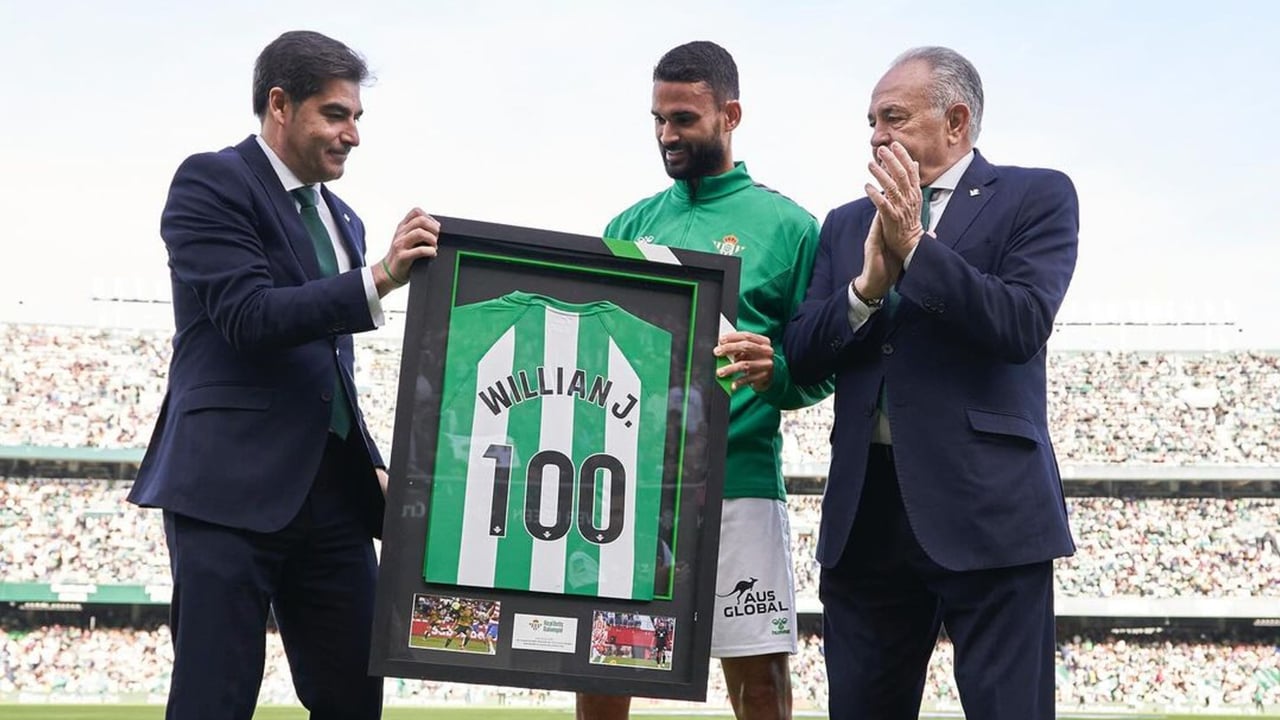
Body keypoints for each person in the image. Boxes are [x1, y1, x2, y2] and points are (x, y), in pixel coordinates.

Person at [127, 30, 439, 720]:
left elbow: (330, 370)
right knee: (214, 698)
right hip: (227, 488)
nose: (353, 134)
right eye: (336, 114)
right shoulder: (212, 180)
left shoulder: (345, 218)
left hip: (334, 499)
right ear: (279, 105)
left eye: (357, 117)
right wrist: (381, 277)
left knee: (355, 697)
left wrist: (369, 462)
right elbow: (248, 316)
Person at [782, 46, 1078, 719]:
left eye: (893, 117)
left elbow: (1021, 323)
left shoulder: (1036, 195)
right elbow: (800, 355)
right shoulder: (845, 223)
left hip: (990, 512)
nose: (876, 136)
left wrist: (915, 248)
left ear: (956, 121)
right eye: (871, 122)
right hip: (865, 518)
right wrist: (864, 289)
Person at [577, 40, 830, 720]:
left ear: (730, 115)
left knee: (759, 680)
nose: (667, 134)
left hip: (739, 482)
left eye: (684, 119)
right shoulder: (628, 226)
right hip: (629, 487)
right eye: (658, 119)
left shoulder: (791, 228)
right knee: (607, 664)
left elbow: (819, 369)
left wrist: (776, 374)